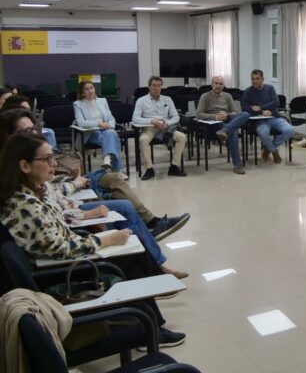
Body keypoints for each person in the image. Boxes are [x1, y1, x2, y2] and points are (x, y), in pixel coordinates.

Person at [0, 133, 186, 347]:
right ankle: (152, 314)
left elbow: (61, 217)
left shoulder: (36, 190)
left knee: (133, 250)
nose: (54, 164)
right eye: (47, 159)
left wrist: (92, 224)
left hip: (62, 258)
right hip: (59, 271)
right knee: (130, 255)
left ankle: (151, 325)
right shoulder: (24, 205)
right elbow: (62, 249)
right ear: (24, 166)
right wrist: (106, 241)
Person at [0, 109, 190, 241]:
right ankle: (148, 238)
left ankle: (150, 227)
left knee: (110, 166)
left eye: (34, 128)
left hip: (67, 189)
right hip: (70, 195)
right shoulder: (17, 176)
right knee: (114, 195)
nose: (33, 133)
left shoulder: (29, 161)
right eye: (26, 131)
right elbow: (53, 205)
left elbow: (51, 192)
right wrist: (86, 211)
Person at [132, 76, 187, 180]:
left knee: (182, 137)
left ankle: (174, 166)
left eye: (159, 86)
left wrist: (167, 122)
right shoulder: (141, 101)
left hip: (166, 127)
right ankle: (149, 169)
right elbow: (135, 119)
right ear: (149, 87)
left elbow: (176, 116)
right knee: (143, 140)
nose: (157, 88)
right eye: (154, 85)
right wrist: (151, 121)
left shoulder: (168, 99)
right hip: (149, 127)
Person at [236, 70, 294, 167]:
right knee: (263, 132)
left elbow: (276, 103)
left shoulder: (270, 88)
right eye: (253, 79)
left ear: (262, 79)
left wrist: (262, 108)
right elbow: (245, 108)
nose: (254, 81)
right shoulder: (247, 92)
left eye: (257, 79)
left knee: (290, 130)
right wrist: (260, 111)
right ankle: (274, 151)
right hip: (259, 120)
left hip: (273, 117)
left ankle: (268, 148)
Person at [197, 75, 249, 174]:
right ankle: (237, 165)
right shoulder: (205, 96)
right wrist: (215, 116)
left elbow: (234, 111)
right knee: (233, 132)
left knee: (245, 114)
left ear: (223, 85)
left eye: (221, 84)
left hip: (227, 120)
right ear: (212, 84)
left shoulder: (227, 96)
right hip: (214, 123)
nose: (218, 86)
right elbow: (198, 114)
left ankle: (226, 130)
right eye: (216, 83)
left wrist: (227, 114)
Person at [73, 81, 124, 174]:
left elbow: (111, 118)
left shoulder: (102, 101)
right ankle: (117, 171)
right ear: (82, 92)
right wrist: (99, 123)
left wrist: (110, 126)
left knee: (110, 133)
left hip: (106, 130)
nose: (90, 91)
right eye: (87, 89)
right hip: (90, 132)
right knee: (113, 138)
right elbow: (81, 123)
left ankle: (107, 158)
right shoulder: (78, 104)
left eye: (92, 88)